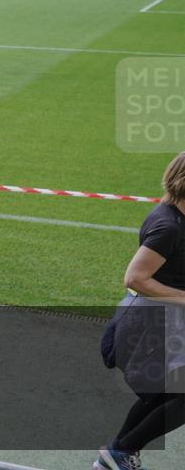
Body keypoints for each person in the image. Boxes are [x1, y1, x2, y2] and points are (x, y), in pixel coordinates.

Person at [95, 152, 185, 470]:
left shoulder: (179, 218)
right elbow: (135, 278)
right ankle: (119, 453)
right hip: (145, 326)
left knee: (167, 394)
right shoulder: (168, 227)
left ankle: (117, 454)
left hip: (163, 323)